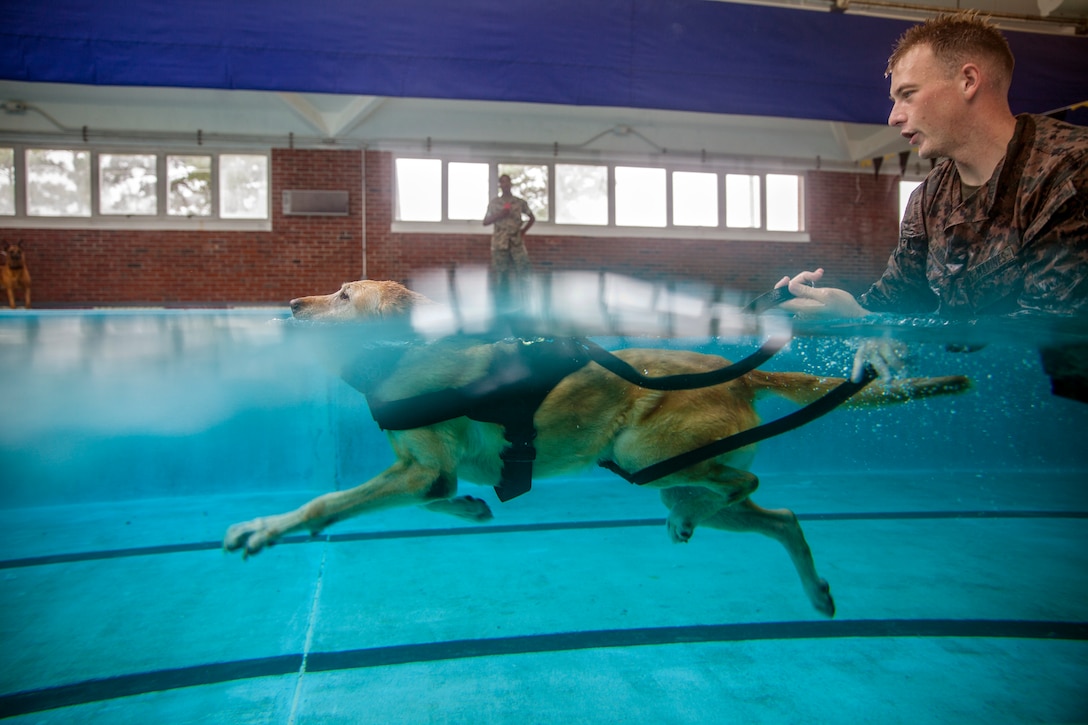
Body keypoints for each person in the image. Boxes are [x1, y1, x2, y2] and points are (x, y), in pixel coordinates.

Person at [772, 12, 1088, 396]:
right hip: (989, 404)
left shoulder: (1071, 170)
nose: (893, 117)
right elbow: (897, 301)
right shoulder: (929, 197)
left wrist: (875, 324)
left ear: (968, 81)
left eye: (907, 94)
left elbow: (1045, 325)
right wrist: (832, 308)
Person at [483, 174, 535, 299]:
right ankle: (503, 300)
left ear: (511, 184)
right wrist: (501, 214)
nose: (505, 184)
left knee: (523, 272)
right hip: (500, 243)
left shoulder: (519, 202)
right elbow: (485, 222)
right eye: (502, 182)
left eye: (507, 182)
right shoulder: (494, 203)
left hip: (516, 243)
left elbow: (532, 218)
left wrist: (523, 232)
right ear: (500, 185)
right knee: (502, 274)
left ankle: (524, 300)